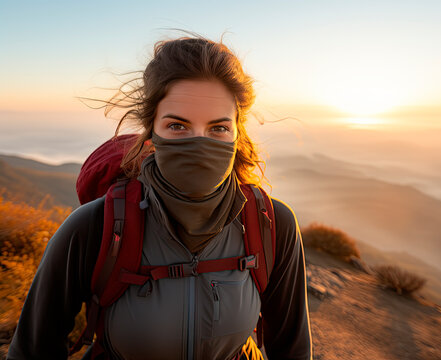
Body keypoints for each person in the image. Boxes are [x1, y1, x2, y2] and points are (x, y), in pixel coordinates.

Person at [7, 36, 312, 360]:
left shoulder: (270, 224)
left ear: (238, 133)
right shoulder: (93, 227)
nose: (199, 145)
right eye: (178, 125)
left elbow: (292, 350)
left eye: (218, 128)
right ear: (151, 132)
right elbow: (31, 351)